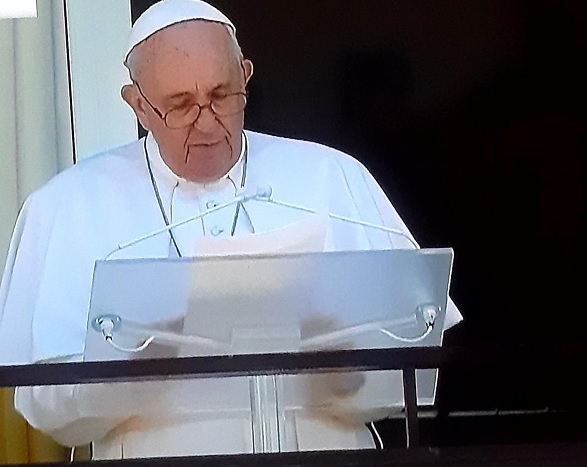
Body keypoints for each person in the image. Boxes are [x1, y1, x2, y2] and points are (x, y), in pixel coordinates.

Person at [0, 0, 462, 459]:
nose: (207, 123)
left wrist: (344, 368)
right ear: (138, 105)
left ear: (245, 76)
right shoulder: (70, 205)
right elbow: (42, 402)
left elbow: (413, 361)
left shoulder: (332, 176)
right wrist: (134, 369)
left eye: (222, 96)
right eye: (180, 106)